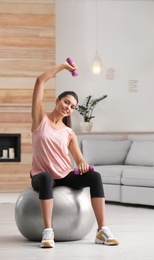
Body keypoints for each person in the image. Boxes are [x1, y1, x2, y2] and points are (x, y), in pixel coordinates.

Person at [30, 60, 119, 248]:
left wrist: (83, 164)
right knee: (46, 177)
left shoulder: (68, 132)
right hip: (41, 176)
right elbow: (39, 81)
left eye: (72, 106)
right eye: (66, 102)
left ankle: (102, 230)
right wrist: (62, 67)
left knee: (95, 177)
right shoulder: (40, 119)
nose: (68, 107)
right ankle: (48, 231)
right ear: (57, 101)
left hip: (65, 175)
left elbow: (78, 158)